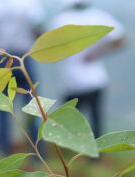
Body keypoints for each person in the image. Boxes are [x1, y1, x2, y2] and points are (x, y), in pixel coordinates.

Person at [0, 0, 45, 155]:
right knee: (33, 106)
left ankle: (3, 151)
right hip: (24, 59)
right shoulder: (29, 4)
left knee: (2, 108)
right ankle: (38, 152)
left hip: (2, 60)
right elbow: (39, 29)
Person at [50, 0, 127, 138]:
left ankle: (74, 153)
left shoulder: (61, 19)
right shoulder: (98, 16)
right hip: (93, 78)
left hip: (71, 80)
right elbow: (121, 38)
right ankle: (95, 154)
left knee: (69, 124)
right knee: (95, 120)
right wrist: (99, 52)